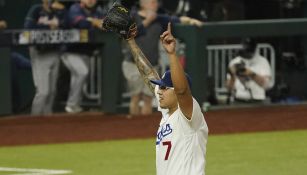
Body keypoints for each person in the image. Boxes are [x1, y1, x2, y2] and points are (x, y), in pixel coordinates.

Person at [126, 22, 208, 174]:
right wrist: (131, 42)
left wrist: (171, 54)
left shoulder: (190, 115)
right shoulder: (166, 113)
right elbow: (148, 74)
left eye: (164, 88)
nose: (159, 91)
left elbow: (182, 91)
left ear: (176, 91)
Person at [122, 0, 203, 116]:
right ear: (142, 3)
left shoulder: (158, 18)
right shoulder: (132, 15)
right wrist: (147, 21)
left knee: (148, 97)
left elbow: (177, 20)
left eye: (155, 2)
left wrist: (191, 20)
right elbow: (128, 34)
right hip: (133, 63)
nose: (155, 4)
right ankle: (133, 127)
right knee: (135, 96)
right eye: (151, 2)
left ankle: (142, 130)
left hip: (151, 64)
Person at [24, 0, 66, 115]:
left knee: (52, 91)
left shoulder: (59, 12)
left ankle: (48, 119)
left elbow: (67, 26)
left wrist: (62, 11)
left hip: (54, 52)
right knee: (43, 92)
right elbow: (28, 28)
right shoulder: (36, 9)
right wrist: (48, 27)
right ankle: (34, 119)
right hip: (40, 52)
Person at [62, 0, 104, 113]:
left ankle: (75, 105)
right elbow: (80, 24)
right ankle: (71, 104)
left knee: (79, 77)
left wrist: (96, 21)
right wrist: (94, 22)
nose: (90, 0)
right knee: (82, 72)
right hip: (70, 51)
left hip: (85, 52)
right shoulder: (75, 8)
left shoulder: (98, 11)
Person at [226, 38, 273, 103]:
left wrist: (251, 74)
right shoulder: (234, 62)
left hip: (257, 100)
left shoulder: (262, 61)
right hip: (239, 99)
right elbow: (229, 88)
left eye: (249, 50)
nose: (247, 53)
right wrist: (232, 75)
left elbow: (267, 85)